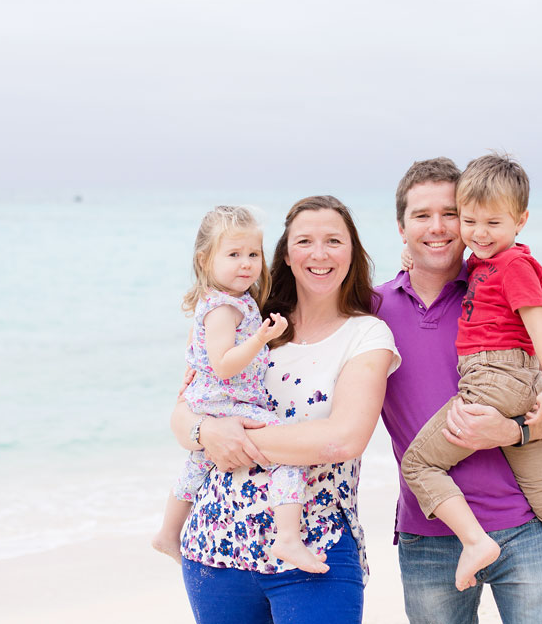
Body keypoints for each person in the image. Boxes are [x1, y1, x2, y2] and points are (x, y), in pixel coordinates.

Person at [375, 157, 542, 624]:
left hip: (523, 530)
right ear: (401, 228)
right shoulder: (373, 310)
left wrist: (511, 432)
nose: (439, 227)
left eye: (449, 214)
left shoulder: (496, 293)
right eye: (422, 215)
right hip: (428, 539)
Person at [170, 195, 400, 624]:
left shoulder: (367, 335)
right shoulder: (249, 324)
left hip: (315, 543)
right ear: (286, 255)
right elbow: (183, 415)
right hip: (216, 540)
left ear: (353, 252)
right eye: (304, 241)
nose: (319, 253)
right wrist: (205, 433)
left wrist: (228, 437)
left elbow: (342, 438)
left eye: (334, 241)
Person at [151, 205, 326, 574]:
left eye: (253, 254)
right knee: (288, 448)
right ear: (205, 259)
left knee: (198, 463)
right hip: (225, 400)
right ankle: (288, 537)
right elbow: (224, 363)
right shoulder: (225, 307)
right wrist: (261, 336)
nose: (246, 264)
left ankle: (168, 532)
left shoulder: (229, 299)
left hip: (216, 400)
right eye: (233, 255)